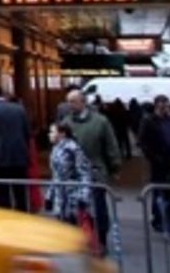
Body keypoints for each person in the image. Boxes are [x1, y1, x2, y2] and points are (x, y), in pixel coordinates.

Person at [65, 89, 121, 251]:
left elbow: (111, 145)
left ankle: (101, 239)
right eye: (69, 101)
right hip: (74, 172)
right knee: (76, 207)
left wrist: (115, 166)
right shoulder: (67, 122)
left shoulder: (100, 121)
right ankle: (79, 240)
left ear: (83, 102)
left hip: (95, 170)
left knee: (98, 207)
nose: (70, 105)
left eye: (73, 101)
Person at [0, 86, 32, 212]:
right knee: (20, 191)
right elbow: (27, 132)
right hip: (19, 155)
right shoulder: (19, 109)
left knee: (2, 191)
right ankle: (22, 214)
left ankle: (7, 217)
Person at [139, 94, 170, 232]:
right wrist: (154, 157)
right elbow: (142, 142)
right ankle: (157, 219)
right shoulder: (149, 121)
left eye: (166, 105)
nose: (165, 108)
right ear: (157, 106)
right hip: (159, 161)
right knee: (158, 189)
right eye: (162, 105)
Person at [46, 121, 95, 229]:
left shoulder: (72, 148)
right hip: (60, 198)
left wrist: (84, 197)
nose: (49, 134)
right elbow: (55, 175)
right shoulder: (56, 148)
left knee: (74, 228)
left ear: (62, 134)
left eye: (52, 132)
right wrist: (49, 196)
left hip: (73, 197)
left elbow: (85, 173)